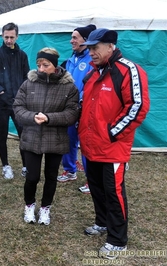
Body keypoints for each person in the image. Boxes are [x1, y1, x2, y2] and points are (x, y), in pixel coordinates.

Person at [78, 28, 149, 259]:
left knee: (114, 192)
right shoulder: (92, 73)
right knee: (96, 188)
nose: (91, 52)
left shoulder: (129, 70)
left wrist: (111, 133)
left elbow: (137, 107)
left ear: (111, 46)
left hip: (112, 147)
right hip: (91, 145)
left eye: (95, 48)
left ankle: (118, 240)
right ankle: (102, 222)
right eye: (88, 48)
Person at [13, 47, 79, 225]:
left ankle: (45, 209)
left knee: (51, 176)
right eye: (38, 65)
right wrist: (32, 117)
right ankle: (29, 206)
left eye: (45, 65)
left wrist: (49, 118)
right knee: (32, 177)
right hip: (31, 137)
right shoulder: (28, 83)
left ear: (55, 65)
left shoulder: (69, 87)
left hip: (55, 138)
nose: (41, 69)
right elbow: (18, 108)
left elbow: (72, 113)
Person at [0, 22, 29, 179]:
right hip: (1, 103)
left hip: (19, 104)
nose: (9, 40)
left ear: (17, 37)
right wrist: (0, 91)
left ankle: (26, 165)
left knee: (24, 134)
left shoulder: (22, 56)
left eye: (12, 37)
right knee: (2, 135)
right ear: (2, 36)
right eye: (6, 37)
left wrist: (22, 94)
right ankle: (6, 166)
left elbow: (26, 77)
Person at [57, 24, 97, 195]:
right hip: (70, 108)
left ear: (85, 40)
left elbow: (91, 85)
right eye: (72, 37)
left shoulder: (92, 59)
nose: (71, 40)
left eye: (75, 37)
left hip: (85, 108)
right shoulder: (71, 59)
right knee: (68, 139)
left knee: (87, 144)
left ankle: (92, 180)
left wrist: (78, 100)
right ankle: (70, 170)